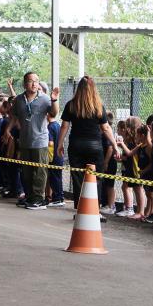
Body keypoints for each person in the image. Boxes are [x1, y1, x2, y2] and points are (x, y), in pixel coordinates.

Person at [57, 76, 114, 214]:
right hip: (95, 146)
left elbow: (64, 126)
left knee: (77, 177)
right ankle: (95, 208)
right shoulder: (99, 106)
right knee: (96, 177)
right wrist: (115, 145)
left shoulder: (71, 105)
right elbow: (106, 128)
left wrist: (60, 144)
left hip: (76, 145)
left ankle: (80, 208)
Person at [12, 71, 59, 210]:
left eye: (36, 81)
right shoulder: (19, 100)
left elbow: (54, 113)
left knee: (40, 171)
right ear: (24, 84)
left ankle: (39, 199)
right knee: (26, 171)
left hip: (40, 140)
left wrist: (54, 100)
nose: (34, 84)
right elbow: (15, 116)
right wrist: (12, 131)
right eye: (31, 81)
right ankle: (29, 196)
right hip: (25, 140)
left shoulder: (45, 98)